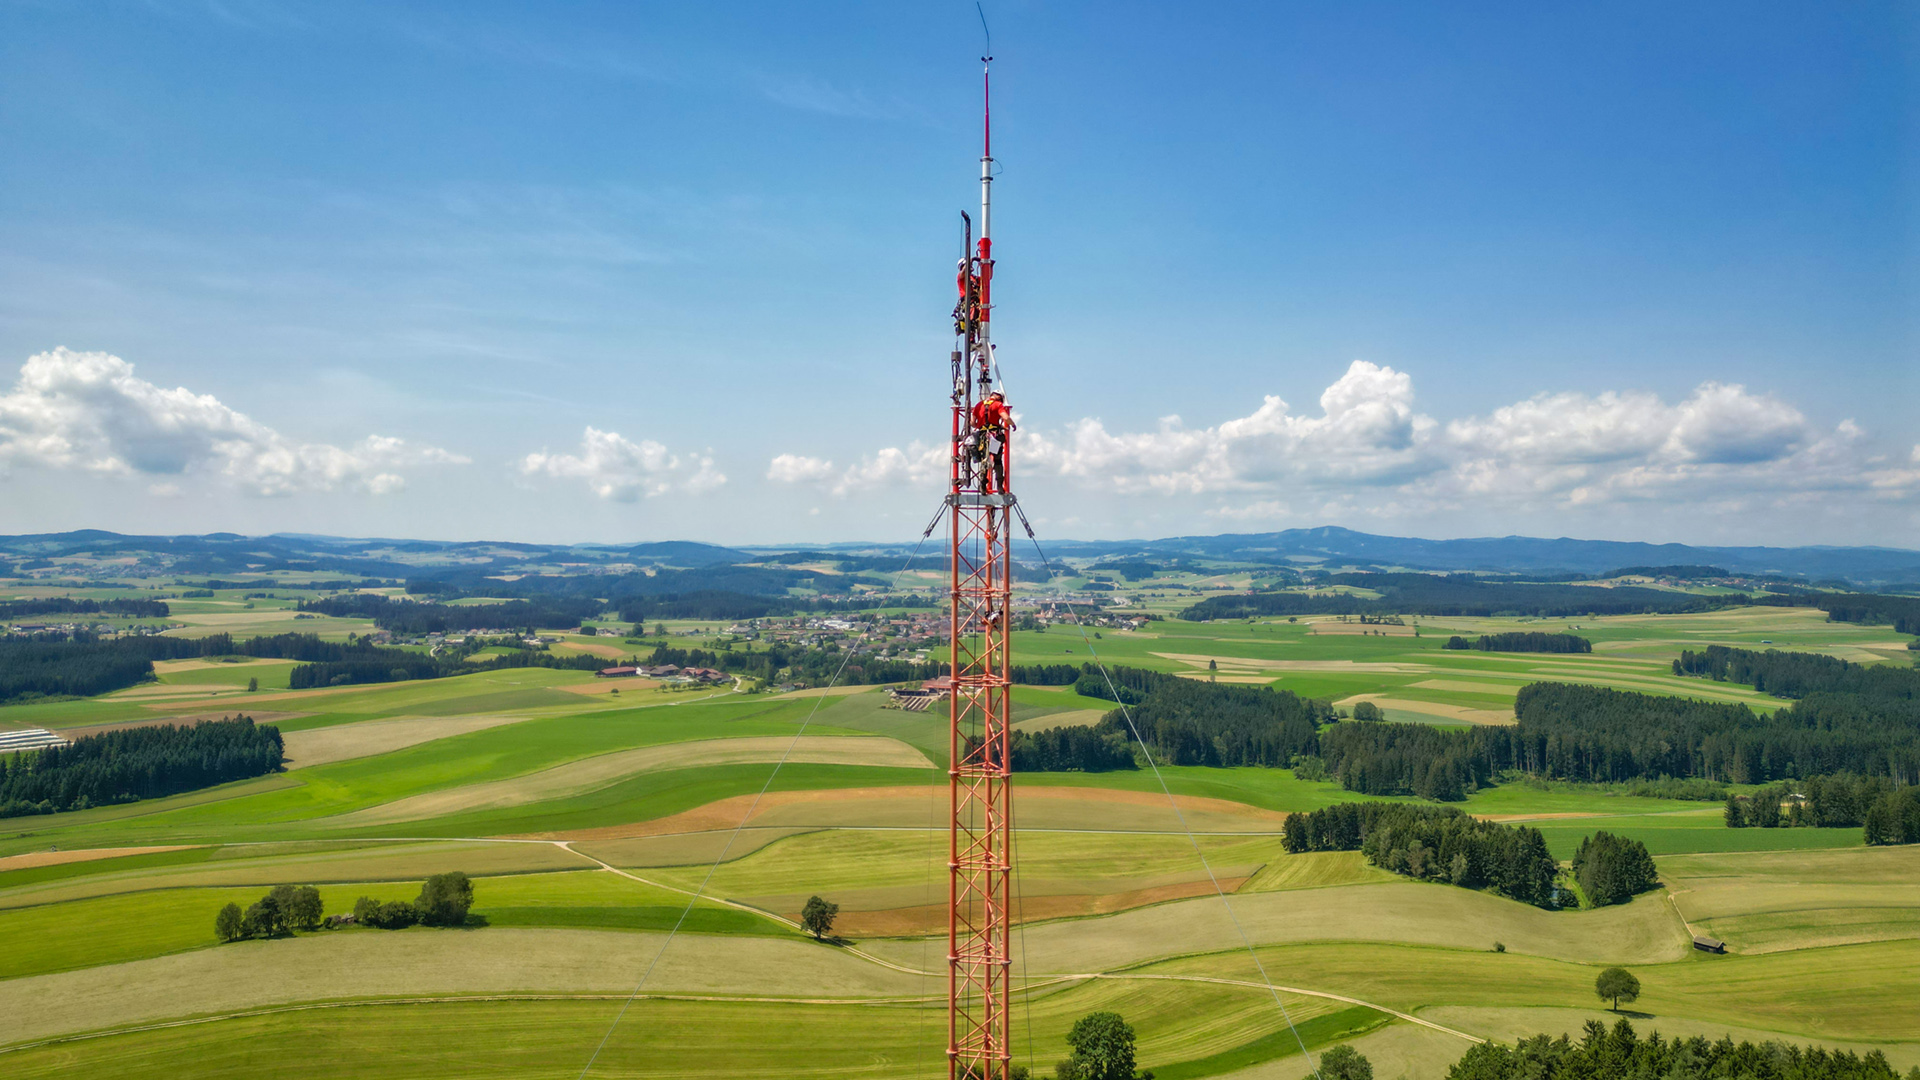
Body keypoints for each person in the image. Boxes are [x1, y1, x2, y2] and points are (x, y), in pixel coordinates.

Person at [970, 390, 1014, 493]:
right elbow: (1005, 417)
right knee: (997, 460)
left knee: (985, 460)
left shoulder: (979, 405)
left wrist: (980, 427)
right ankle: (999, 487)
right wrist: (1012, 424)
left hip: (982, 437)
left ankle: (983, 486)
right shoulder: (998, 405)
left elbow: (972, 422)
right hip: (994, 437)